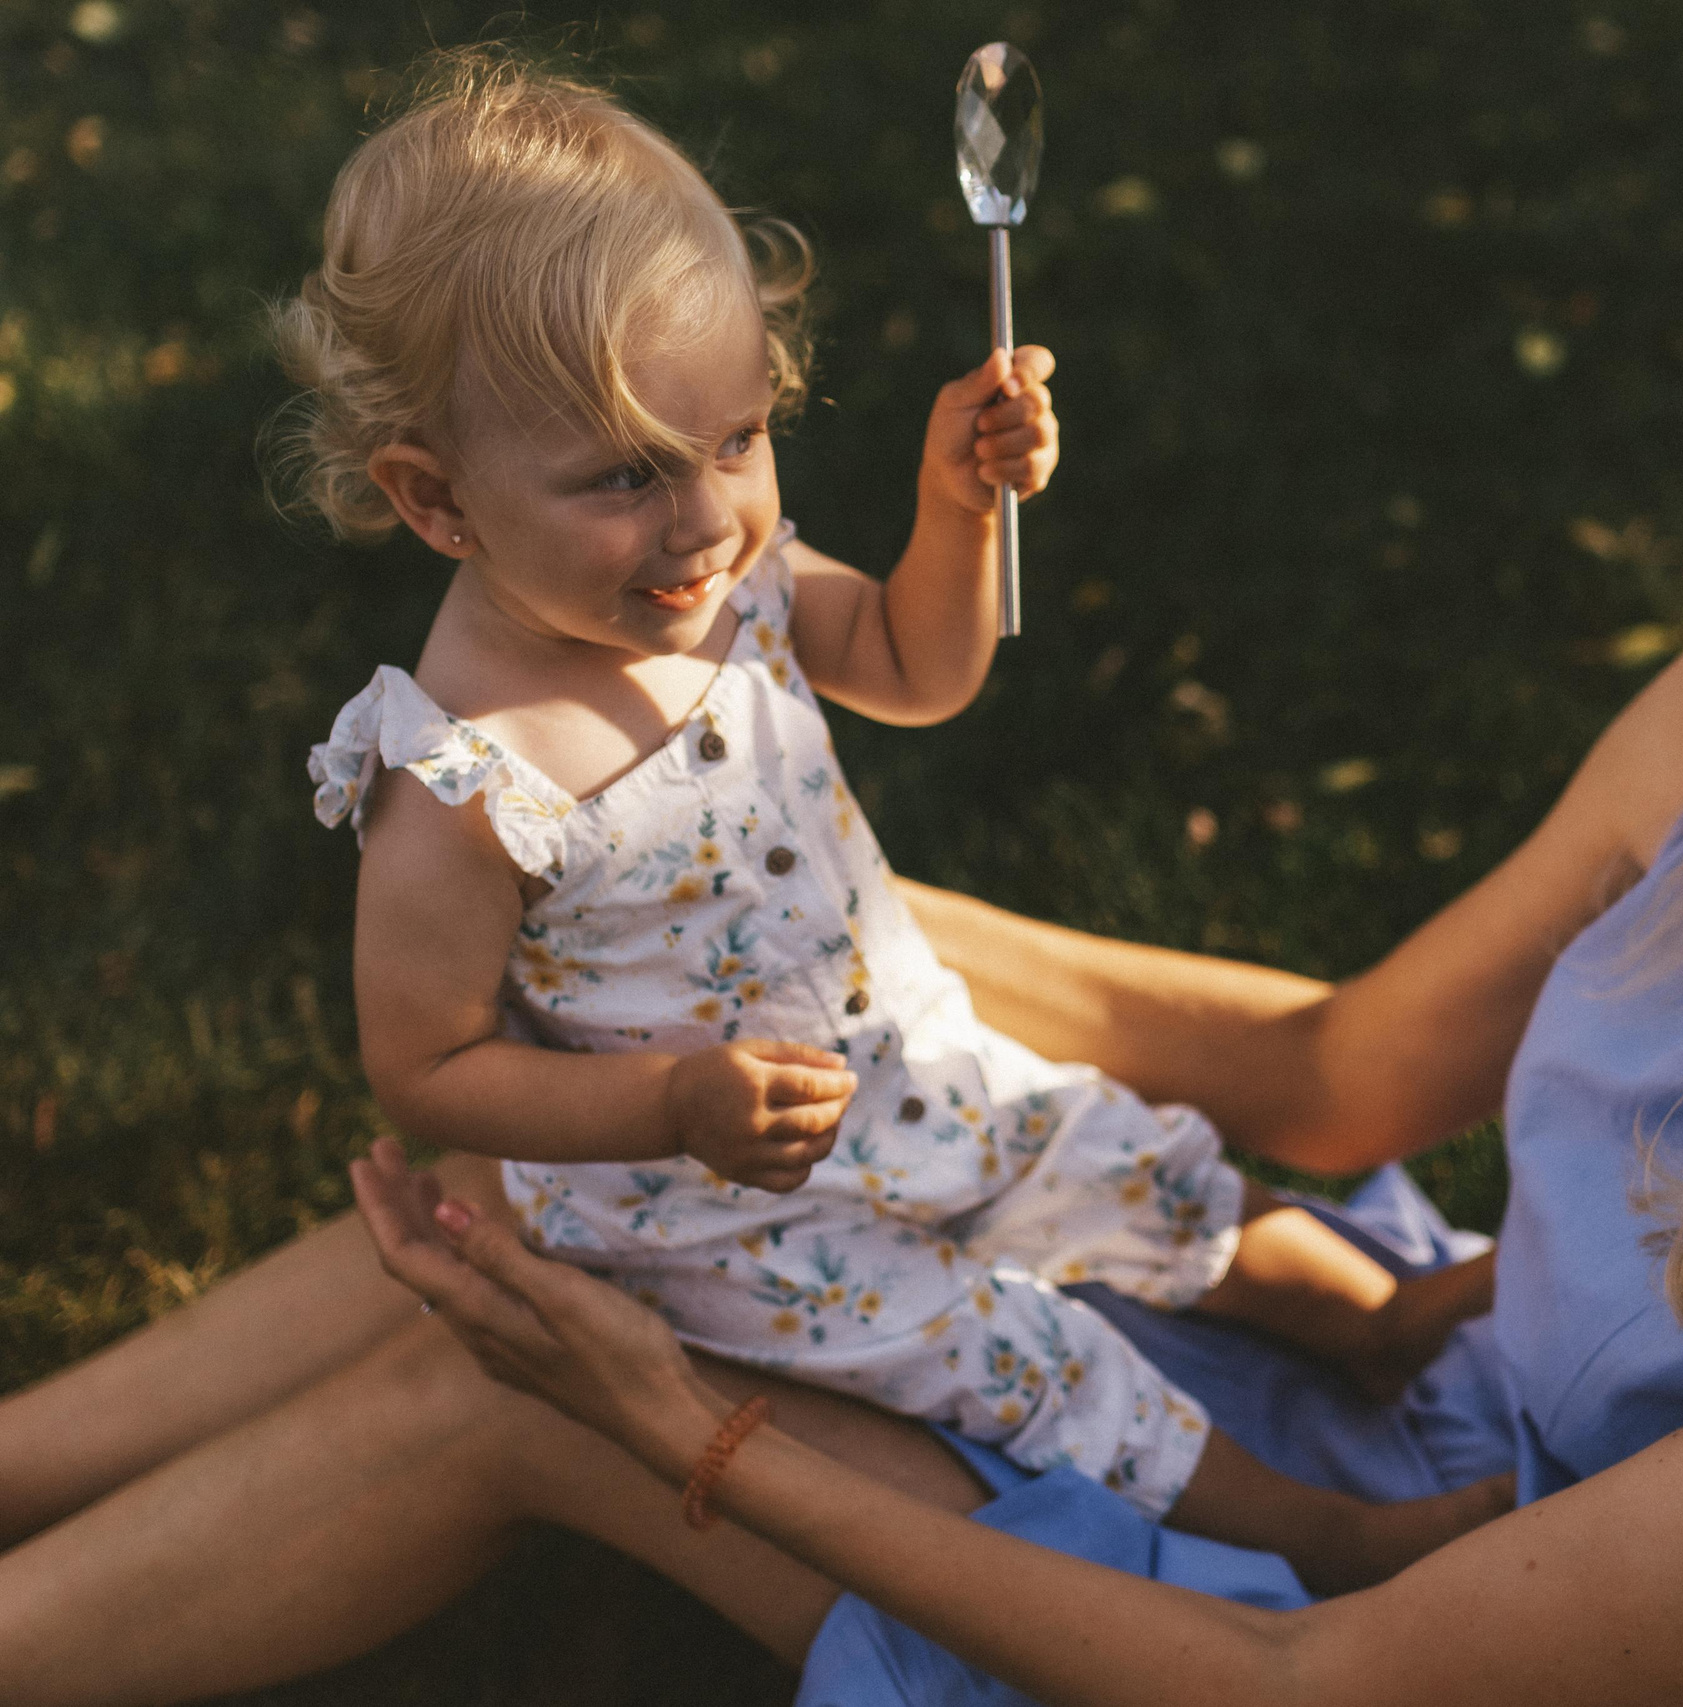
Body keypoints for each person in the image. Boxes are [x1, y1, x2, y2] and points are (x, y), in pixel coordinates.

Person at [0, 180, 1683, 1707]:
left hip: (1413, 1663)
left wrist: (699, 1439)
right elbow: (1334, 1074)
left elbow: (1342, 1692)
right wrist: (721, 954)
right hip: (1414, 1413)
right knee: (583, 1184)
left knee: (551, 1361)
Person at [281, 54, 1504, 1595]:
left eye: (735, 440)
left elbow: (921, 668)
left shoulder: (735, 586)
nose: (703, 518)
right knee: (1032, 1367)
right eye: (622, 479)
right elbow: (428, 1071)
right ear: (435, 499)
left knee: (1134, 1165)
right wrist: (674, 1107)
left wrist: (958, 509)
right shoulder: (467, 776)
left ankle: (1375, 1320)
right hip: (724, 1216)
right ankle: (1338, 1539)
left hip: (907, 1062)